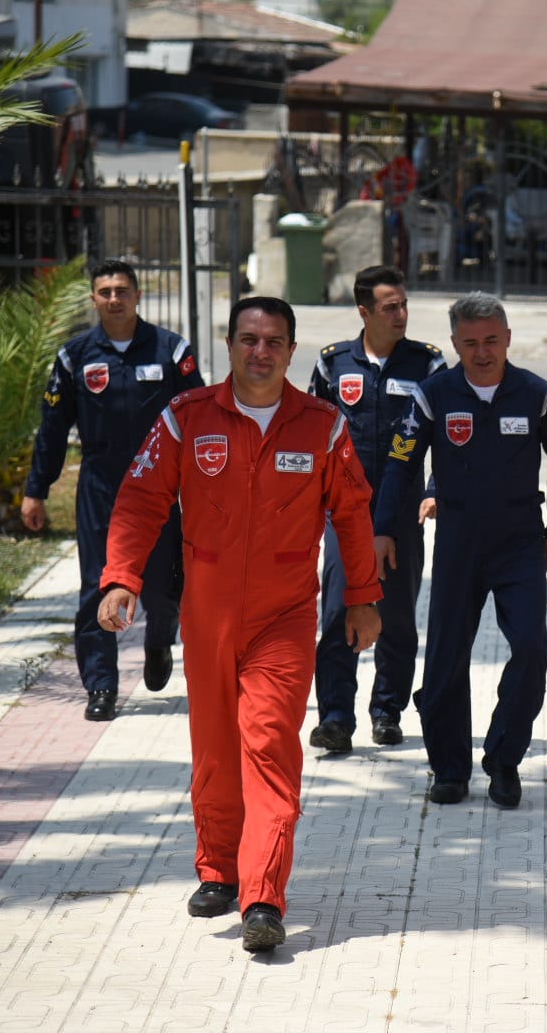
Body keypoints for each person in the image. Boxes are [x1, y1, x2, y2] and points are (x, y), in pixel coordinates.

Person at [98, 296, 383, 953]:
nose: (261, 352)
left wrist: (364, 596)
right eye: (249, 339)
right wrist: (121, 577)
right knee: (216, 749)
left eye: (274, 341)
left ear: (291, 351)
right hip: (208, 613)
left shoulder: (323, 426)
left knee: (270, 746)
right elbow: (140, 500)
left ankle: (263, 897)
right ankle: (218, 870)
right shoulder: (187, 417)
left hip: (284, 617)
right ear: (229, 344)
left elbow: (353, 512)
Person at [373, 293, 547, 809]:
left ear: (508, 338)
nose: (482, 352)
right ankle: (449, 767)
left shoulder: (537, 394)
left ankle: (504, 759)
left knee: (531, 647)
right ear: (454, 343)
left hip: (520, 543)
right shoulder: (433, 394)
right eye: (470, 343)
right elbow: (401, 463)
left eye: (491, 341)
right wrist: (384, 529)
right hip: (458, 543)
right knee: (445, 658)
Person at [23, 259, 203, 721]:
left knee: (163, 586)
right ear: (94, 299)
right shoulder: (75, 356)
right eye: (105, 292)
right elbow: (52, 429)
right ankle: (101, 686)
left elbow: (200, 417)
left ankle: (159, 641)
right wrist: (36, 489)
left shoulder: (171, 350)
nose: (114, 299)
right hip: (101, 489)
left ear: (138, 295)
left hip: (159, 489)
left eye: (122, 290)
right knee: (96, 586)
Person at [307, 266, 446, 752]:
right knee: (338, 608)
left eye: (404, 304)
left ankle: (387, 710)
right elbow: (312, 433)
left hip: (403, 511)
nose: (401, 314)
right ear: (364, 311)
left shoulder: (427, 365)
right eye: (390, 307)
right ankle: (335, 717)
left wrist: (433, 489)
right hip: (343, 510)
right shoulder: (333, 365)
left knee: (397, 614)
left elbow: (446, 434)